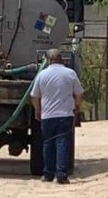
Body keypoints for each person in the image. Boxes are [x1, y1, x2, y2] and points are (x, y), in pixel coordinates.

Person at [30, 48, 83, 184]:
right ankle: (61, 175)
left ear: (48, 60)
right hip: (65, 114)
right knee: (62, 143)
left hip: (47, 115)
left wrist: (37, 110)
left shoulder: (42, 75)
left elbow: (34, 96)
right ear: (61, 58)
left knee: (48, 144)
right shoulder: (70, 73)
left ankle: (48, 174)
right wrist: (76, 107)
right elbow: (79, 93)